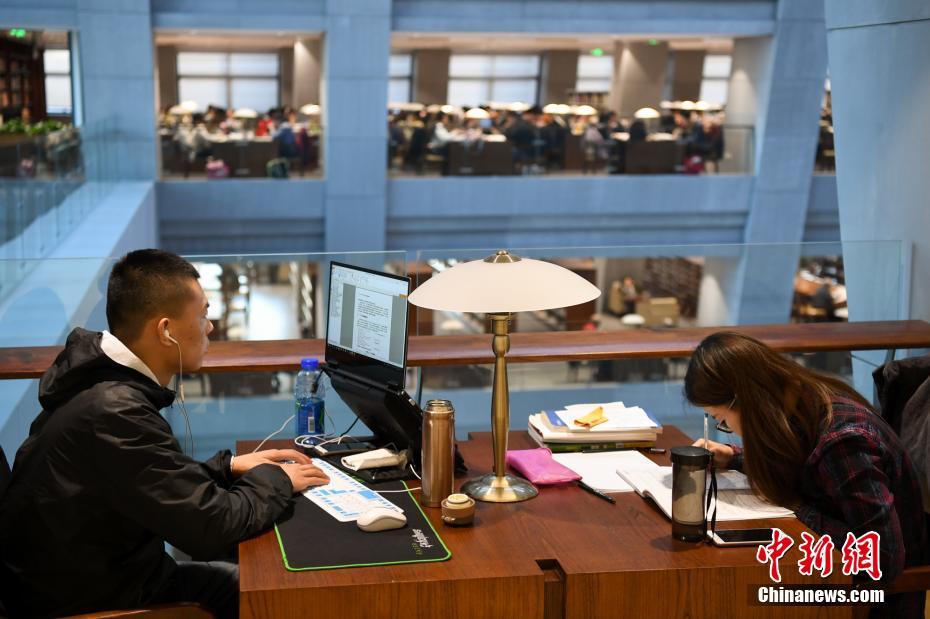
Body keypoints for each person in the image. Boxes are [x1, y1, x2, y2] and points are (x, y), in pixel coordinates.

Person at [0, 249, 330, 619]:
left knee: (241, 579)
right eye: (203, 314)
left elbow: (149, 482)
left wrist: (230, 466)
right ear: (166, 330)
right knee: (269, 596)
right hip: (88, 602)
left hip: (88, 578)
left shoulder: (98, 383)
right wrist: (278, 478)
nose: (210, 327)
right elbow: (212, 528)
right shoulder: (115, 412)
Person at [686, 332, 927, 618]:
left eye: (723, 421)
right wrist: (735, 458)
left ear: (746, 401)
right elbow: (798, 462)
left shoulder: (843, 443)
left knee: (735, 595)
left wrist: (797, 509)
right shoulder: (803, 400)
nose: (728, 429)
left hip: (871, 601)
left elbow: (881, 558)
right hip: (830, 575)